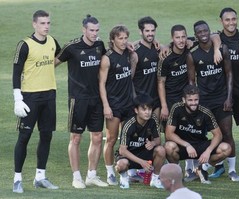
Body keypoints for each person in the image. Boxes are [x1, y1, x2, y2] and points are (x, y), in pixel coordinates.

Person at [55, 14, 108, 189]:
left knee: (98, 137)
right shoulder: (72, 47)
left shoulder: (100, 45)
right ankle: (76, 177)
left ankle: (91, 175)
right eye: (91, 30)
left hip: (96, 99)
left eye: (97, 30)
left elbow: (113, 53)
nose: (94, 33)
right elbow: (53, 63)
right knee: (76, 138)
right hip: (77, 100)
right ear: (83, 29)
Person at [12, 10, 60, 193]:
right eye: (42, 23)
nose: (46, 26)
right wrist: (18, 99)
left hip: (49, 96)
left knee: (46, 136)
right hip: (30, 97)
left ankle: (40, 176)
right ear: (34, 24)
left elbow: (60, 56)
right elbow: (16, 74)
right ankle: (17, 179)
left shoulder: (52, 41)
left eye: (48, 23)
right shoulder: (24, 45)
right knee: (24, 137)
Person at [186, 20, 238, 182]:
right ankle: (200, 168)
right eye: (199, 32)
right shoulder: (192, 54)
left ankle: (233, 170)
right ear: (195, 35)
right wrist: (194, 102)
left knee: (227, 134)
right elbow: (192, 81)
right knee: (202, 135)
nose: (203, 34)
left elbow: (229, 75)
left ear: (210, 32)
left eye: (205, 31)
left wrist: (229, 98)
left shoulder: (222, 49)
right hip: (204, 101)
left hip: (222, 98)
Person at [164, 85, 232, 184]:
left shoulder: (205, 111)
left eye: (196, 100)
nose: (193, 103)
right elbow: (169, 134)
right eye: (190, 100)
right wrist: (187, 145)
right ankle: (177, 173)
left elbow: (218, 135)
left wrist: (208, 151)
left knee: (226, 148)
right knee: (168, 146)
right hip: (183, 146)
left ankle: (200, 169)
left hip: (200, 145)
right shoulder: (176, 108)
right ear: (184, 100)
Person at [216, 7, 239, 181]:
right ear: (221, 22)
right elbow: (192, 40)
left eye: (234, 19)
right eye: (227, 20)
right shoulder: (216, 39)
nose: (231, 22)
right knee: (223, 131)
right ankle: (220, 166)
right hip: (223, 94)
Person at [99, 25, 137, 186]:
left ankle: (127, 170)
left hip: (129, 104)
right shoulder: (107, 58)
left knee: (128, 138)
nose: (123, 41)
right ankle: (109, 173)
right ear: (113, 39)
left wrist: (134, 56)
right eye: (120, 38)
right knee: (112, 139)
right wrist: (106, 106)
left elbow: (130, 75)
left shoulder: (129, 54)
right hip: (114, 105)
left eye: (125, 38)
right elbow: (101, 84)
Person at [115, 93, 165, 189]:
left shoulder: (153, 119)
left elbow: (158, 140)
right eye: (144, 109)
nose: (147, 112)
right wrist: (141, 162)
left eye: (149, 109)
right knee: (121, 164)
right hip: (129, 155)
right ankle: (124, 178)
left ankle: (155, 179)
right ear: (136, 110)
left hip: (144, 153)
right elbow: (122, 151)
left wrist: (153, 143)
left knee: (161, 150)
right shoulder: (129, 124)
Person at [132, 16, 160, 119]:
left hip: (155, 100)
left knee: (155, 132)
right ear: (140, 31)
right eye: (147, 31)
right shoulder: (134, 52)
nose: (150, 33)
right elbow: (129, 79)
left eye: (153, 30)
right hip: (141, 100)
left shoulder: (158, 49)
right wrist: (135, 99)